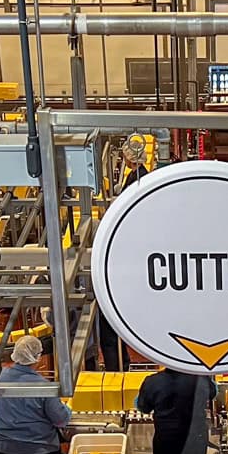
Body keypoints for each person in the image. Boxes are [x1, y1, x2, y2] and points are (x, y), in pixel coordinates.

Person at [87, 134, 150, 374]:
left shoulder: (138, 177)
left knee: (110, 334)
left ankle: (116, 370)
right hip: (126, 260)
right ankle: (118, 365)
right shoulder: (137, 175)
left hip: (123, 265)